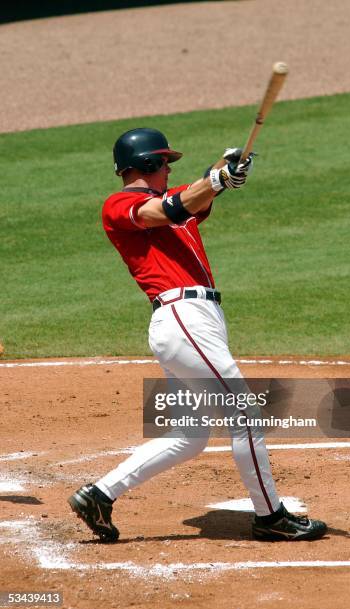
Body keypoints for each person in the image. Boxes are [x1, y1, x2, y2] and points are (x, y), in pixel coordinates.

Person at [68, 128, 327, 543]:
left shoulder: (174, 206)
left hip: (193, 322)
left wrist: (226, 170)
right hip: (182, 318)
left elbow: (194, 197)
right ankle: (270, 516)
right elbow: (167, 208)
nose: (169, 168)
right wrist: (213, 182)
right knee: (245, 412)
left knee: (189, 436)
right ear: (147, 163)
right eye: (164, 161)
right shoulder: (121, 205)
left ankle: (99, 494)